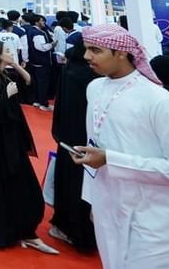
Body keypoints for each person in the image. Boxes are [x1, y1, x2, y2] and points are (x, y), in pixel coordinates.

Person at [71, 24, 169, 268]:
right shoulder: (94, 88)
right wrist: (94, 200)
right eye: (86, 49)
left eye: (95, 50)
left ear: (121, 53)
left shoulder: (161, 102)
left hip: (160, 219)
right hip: (111, 207)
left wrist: (111, 159)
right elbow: (94, 144)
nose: (86, 56)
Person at [0, 42, 57, 254]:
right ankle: (16, 231)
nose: (10, 52)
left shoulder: (3, 74)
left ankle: (22, 230)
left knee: (18, 186)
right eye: (6, 50)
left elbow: (30, 83)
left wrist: (15, 65)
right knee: (15, 186)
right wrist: (6, 95)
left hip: (8, 141)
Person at [49, 41, 99, 250]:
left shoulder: (69, 70)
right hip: (91, 140)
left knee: (70, 183)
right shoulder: (95, 78)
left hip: (69, 137)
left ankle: (67, 226)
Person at [25, 13, 55, 110]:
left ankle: (37, 101)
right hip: (41, 61)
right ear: (36, 22)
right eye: (42, 21)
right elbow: (41, 47)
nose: (44, 22)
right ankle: (43, 103)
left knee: (37, 82)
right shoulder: (38, 33)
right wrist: (52, 44)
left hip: (34, 61)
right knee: (43, 83)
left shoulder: (30, 31)